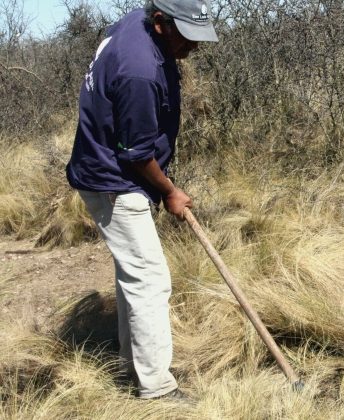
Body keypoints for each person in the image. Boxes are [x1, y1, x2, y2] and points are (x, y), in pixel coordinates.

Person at [65, 0, 218, 399]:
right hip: (113, 181)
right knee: (150, 280)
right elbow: (135, 154)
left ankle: (133, 365)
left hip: (108, 168)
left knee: (133, 276)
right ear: (159, 22)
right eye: (186, 35)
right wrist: (169, 192)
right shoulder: (140, 71)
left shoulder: (135, 24)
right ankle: (156, 387)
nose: (193, 46)